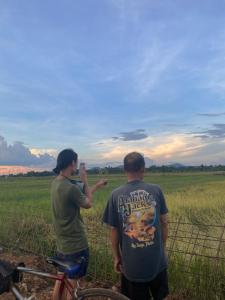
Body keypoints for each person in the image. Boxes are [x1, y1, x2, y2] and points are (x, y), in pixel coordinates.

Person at [103, 152, 169, 300]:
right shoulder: (156, 190)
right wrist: (162, 249)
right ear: (142, 168)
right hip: (157, 262)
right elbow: (164, 222)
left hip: (131, 267)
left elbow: (114, 230)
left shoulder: (115, 195)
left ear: (125, 170)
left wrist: (116, 257)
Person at [51, 149, 107, 300]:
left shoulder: (57, 183)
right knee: (72, 285)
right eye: (76, 162)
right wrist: (85, 179)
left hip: (62, 244)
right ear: (72, 163)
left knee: (60, 280)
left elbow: (82, 196)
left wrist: (97, 185)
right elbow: (88, 203)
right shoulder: (70, 187)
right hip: (76, 245)